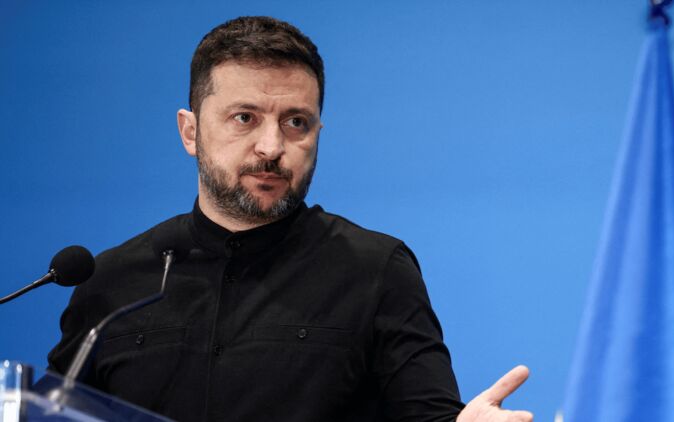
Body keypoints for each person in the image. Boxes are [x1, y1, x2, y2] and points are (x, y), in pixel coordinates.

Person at [48, 16, 533, 422]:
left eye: (295, 122)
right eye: (244, 118)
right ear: (190, 132)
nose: (272, 147)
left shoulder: (375, 270)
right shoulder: (110, 283)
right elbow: (46, 412)